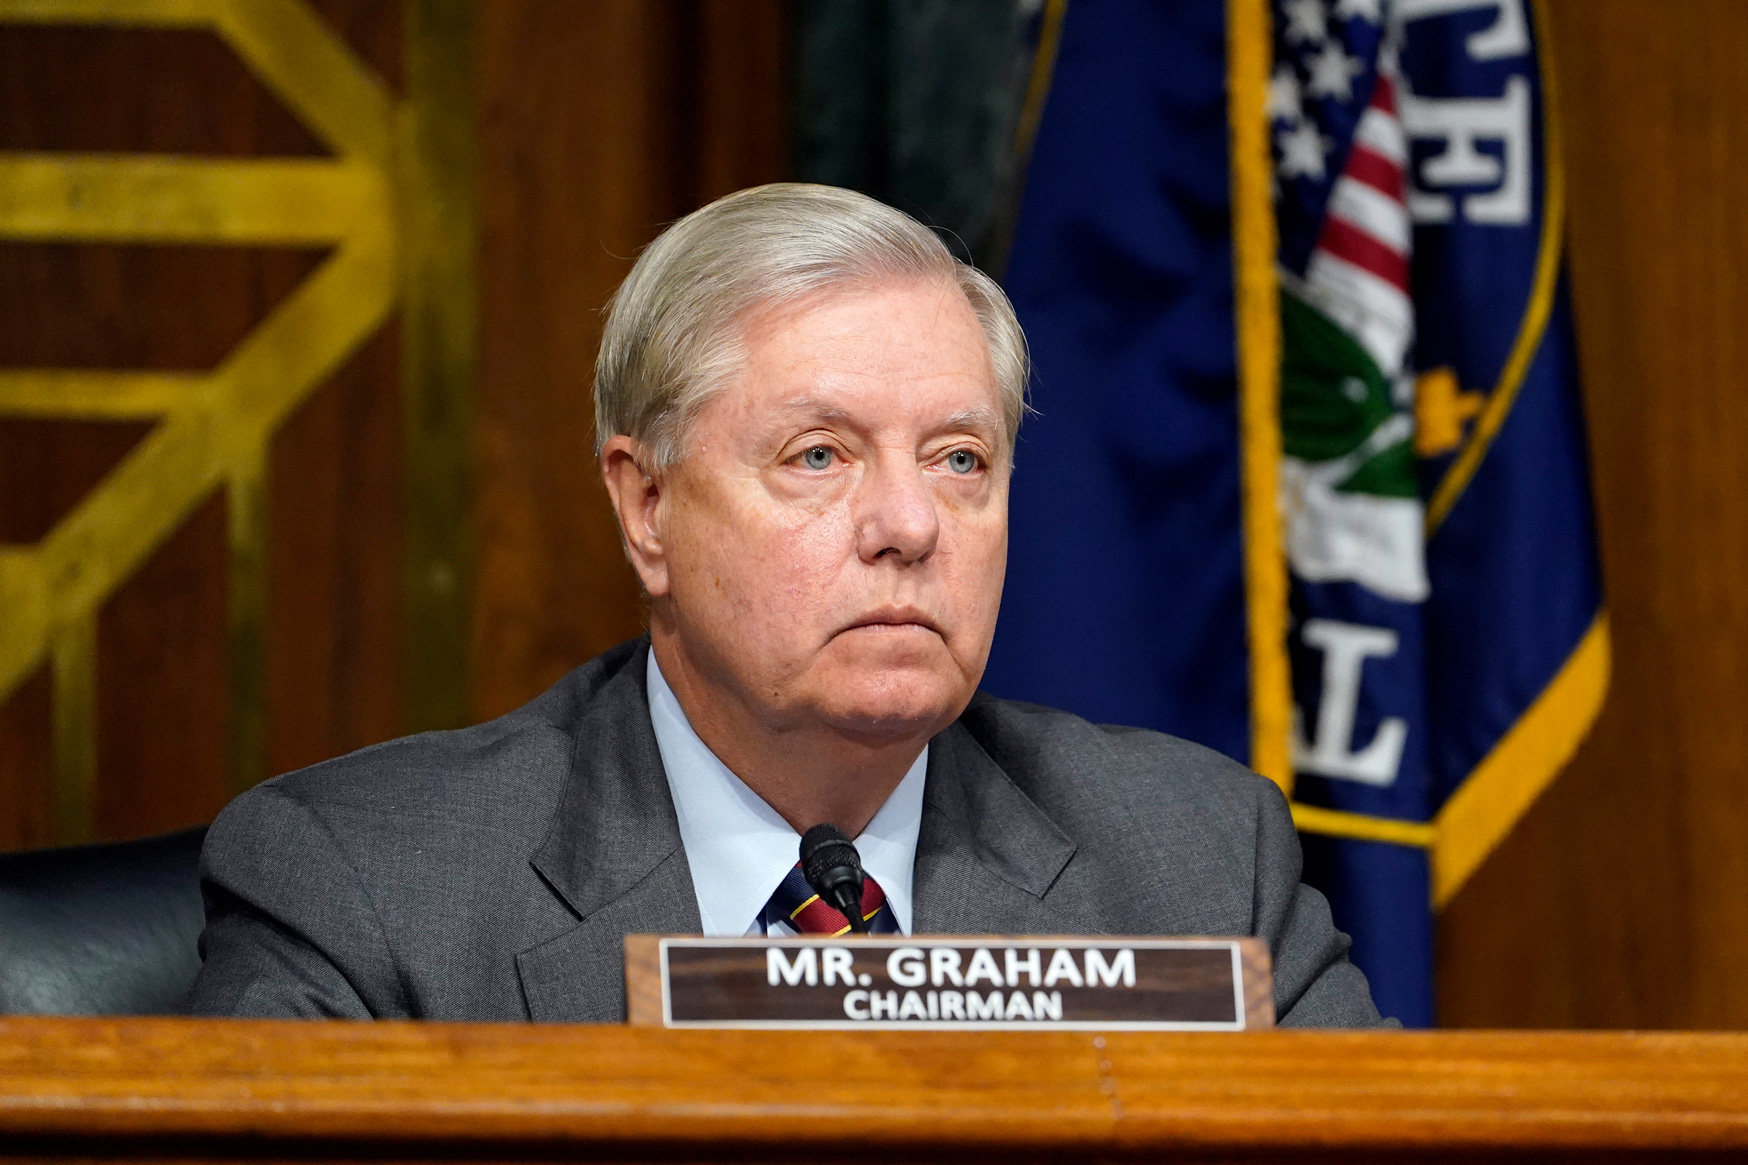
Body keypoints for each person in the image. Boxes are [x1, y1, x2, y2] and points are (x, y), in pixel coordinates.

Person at [183, 184, 1387, 1026]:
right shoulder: (368, 886)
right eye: (818, 456)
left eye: (959, 460)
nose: (909, 526)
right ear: (646, 505)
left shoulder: (1193, 862)